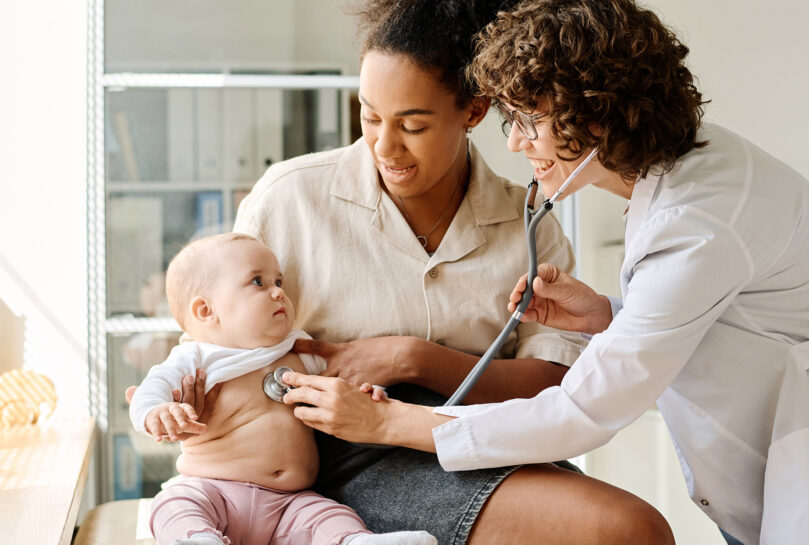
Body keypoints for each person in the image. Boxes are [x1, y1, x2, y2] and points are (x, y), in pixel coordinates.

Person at [279, 1, 809, 544]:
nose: (518, 140)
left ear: (594, 116)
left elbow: (585, 408)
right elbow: (718, 315)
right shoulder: (679, 176)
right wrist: (606, 317)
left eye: (530, 119)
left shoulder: (696, 215)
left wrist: (392, 417)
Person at [230, 1, 674, 544]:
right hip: (337, 456)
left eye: (413, 125)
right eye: (370, 117)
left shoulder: (527, 223)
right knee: (624, 531)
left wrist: (413, 359)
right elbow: (222, 346)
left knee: (630, 531)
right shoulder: (289, 199)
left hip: (480, 435)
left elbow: (551, 382)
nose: (385, 147)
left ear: (474, 110)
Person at [128, 233, 436, 545]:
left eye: (279, 282)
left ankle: (354, 541)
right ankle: (197, 539)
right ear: (206, 311)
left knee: (330, 515)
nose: (278, 293)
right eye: (258, 282)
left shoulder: (298, 349)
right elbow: (149, 391)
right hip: (214, 490)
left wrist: (368, 395)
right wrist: (157, 411)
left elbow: (342, 383)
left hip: (289, 503)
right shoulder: (195, 358)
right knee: (174, 504)